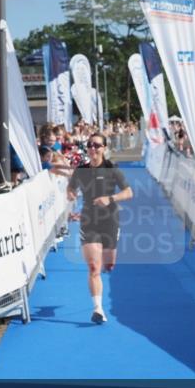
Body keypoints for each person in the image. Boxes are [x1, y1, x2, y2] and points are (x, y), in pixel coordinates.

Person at [66, 133, 133, 324]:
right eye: (90, 145)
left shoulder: (112, 169)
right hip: (88, 220)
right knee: (94, 267)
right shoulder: (81, 170)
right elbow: (70, 188)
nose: (93, 149)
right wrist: (71, 194)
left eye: (97, 145)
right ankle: (98, 309)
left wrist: (110, 199)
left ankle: (107, 266)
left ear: (104, 148)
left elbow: (129, 192)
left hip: (110, 220)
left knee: (109, 265)